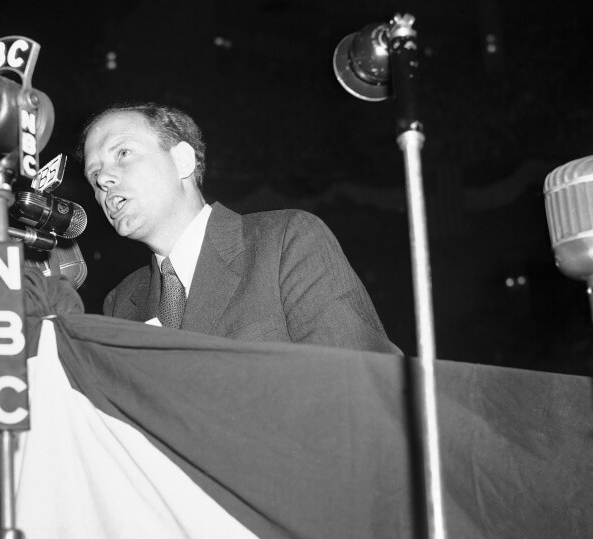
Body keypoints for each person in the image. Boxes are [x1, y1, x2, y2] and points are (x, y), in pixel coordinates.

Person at [78, 102, 401, 355]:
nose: (104, 180)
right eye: (94, 175)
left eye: (123, 153)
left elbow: (359, 384)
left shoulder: (286, 242)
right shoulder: (120, 303)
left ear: (183, 161)